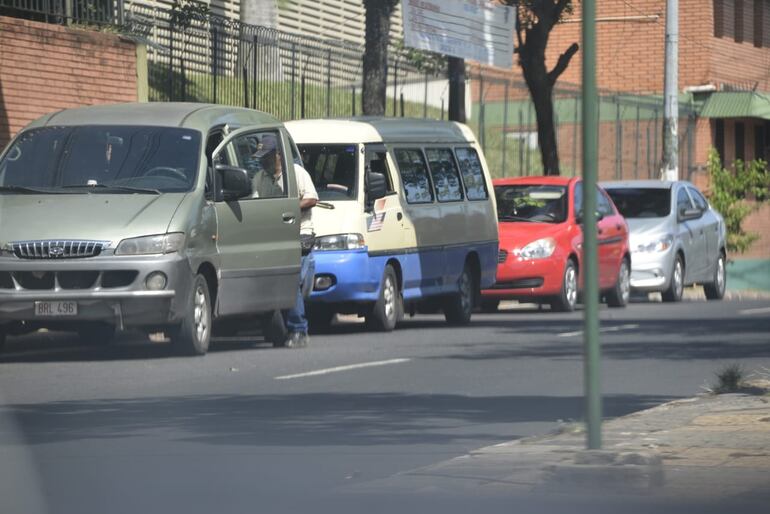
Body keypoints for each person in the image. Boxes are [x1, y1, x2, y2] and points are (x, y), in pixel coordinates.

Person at [282, 158, 318, 348]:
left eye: (268, 157)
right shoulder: (262, 177)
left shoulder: (297, 172)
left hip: (299, 234)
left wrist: (289, 208)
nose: (264, 162)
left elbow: (312, 198)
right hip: (275, 236)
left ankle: (299, 329)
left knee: (293, 283)